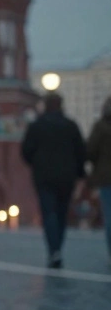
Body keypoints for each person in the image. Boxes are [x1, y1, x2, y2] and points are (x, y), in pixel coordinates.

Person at [22, 92, 86, 269]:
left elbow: (26, 151)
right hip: (67, 177)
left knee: (49, 212)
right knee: (61, 213)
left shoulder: (37, 126)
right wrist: (80, 174)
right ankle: (58, 248)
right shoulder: (71, 126)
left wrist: (36, 164)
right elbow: (81, 152)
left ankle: (53, 250)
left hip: (44, 177)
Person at [85, 96, 111, 257]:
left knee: (109, 217)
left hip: (106, 178)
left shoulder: (100, 127)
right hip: (105, 177)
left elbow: (90, 151)